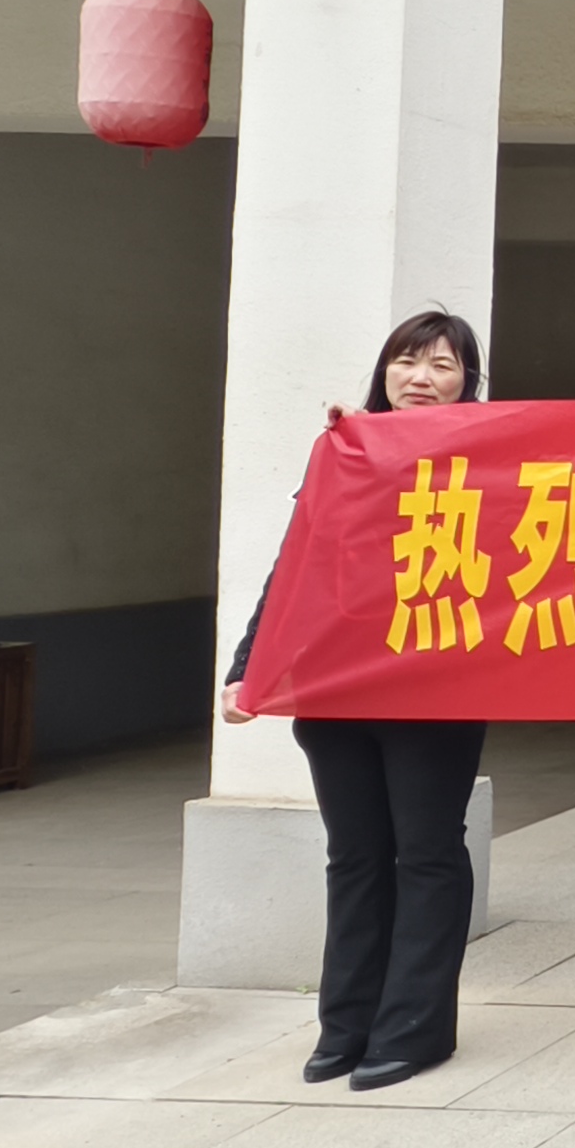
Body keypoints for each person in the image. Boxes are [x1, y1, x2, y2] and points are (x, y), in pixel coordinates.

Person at [221, 311, 490, 1094]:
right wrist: (249, 667)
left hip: (435, 692)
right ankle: (346, 1026)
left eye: (443, 365)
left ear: (467, 383)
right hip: (337, 688)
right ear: (384, 370)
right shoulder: (344, 452)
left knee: (427, 853)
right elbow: (294, 566)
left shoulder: (489, 458)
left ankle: (413, 1030)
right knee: (356, 855)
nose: (422, 377)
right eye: (407, 361)